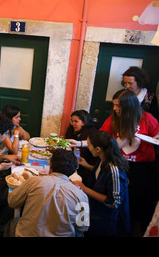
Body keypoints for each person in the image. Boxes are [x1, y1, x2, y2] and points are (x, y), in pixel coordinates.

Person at [69, 89, 159, 236]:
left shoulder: (147, 118)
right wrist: (79, 144)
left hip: (141, 167)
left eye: (118, 106)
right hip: (120, 162)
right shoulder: (112, 123)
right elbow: (98, 139)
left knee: (133, 200)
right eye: (114, 105)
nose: (115, 109)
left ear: (129, 106)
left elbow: (112, 202)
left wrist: (85, 189)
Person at [7, 148, 89, 237]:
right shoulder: (82, 196)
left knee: (13, 222)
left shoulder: (34, 181)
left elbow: (12, 202)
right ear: (73, 171)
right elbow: (83, 227)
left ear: (50, 166)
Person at [72, 130, 130, 237]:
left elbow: (114, 202)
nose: (88, 148)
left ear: (98, 149)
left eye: (89, 146)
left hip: (106, 219)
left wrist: (85, 189)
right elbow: (102, 174)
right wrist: (87, 165)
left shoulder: (114, 170)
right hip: (94, 207)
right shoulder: (102, 159)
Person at [65, 110, 97, 184]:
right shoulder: (74, 129)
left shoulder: (89, 133)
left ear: (84, 122)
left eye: (76, 121)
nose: (73, 124)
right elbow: (67, 141)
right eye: (72, 121)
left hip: (86, 169)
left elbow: (81, 154)